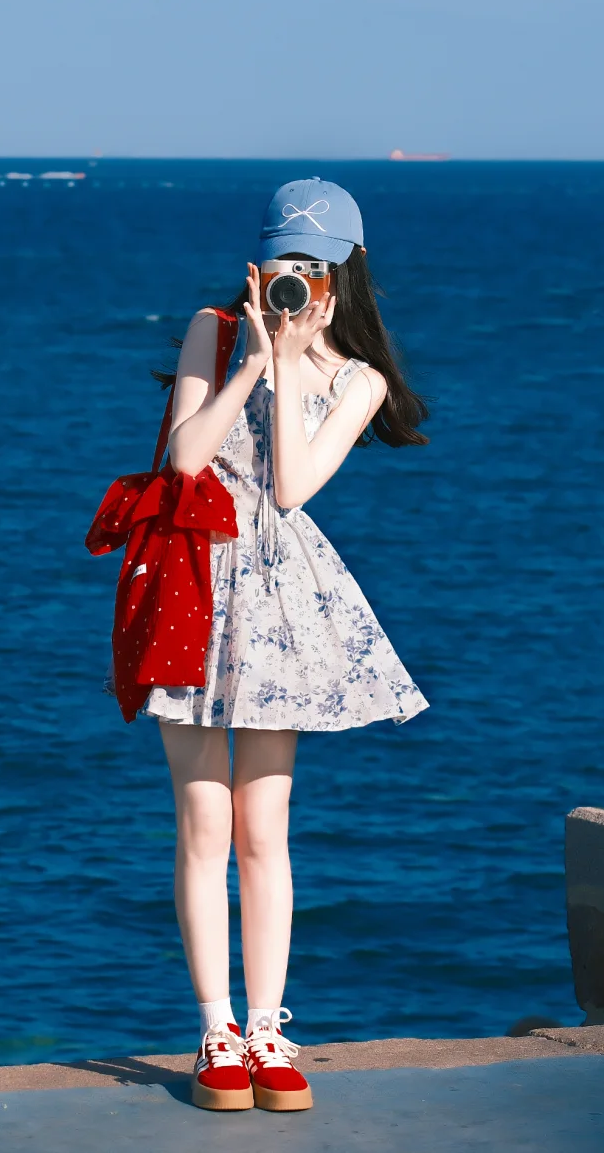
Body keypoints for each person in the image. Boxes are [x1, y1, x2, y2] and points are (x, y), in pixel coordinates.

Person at [142, 179, 429, 1114]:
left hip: (279, 604)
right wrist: (250, 362)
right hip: (192, 582)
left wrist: (296, 366)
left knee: (265, 829)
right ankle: (215, 1033)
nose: (290, 286)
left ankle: (268, 1029)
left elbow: (293, 487)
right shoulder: (211, 330)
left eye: (310, 271)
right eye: (279, 267)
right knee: (203, 822)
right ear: (255, 266)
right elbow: (186, 459)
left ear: (341, 280)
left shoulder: (359, 378)